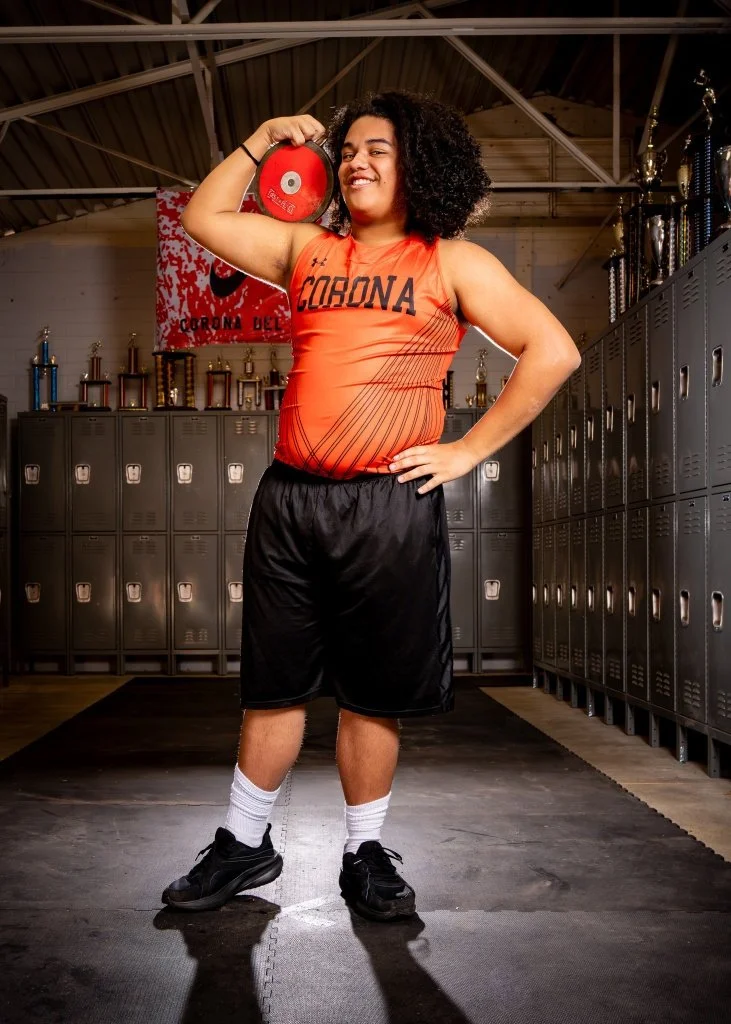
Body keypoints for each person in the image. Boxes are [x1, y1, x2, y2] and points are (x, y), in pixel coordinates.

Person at [162, 91, 580, 920]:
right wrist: (259, 139)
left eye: (377, 150)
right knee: (273, 685)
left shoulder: (453, 262)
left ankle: (364, 855)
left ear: (417, 165)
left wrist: (466, 450)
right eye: (347, 150)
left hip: (387, 504)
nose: (355, 162)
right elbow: (203, 218)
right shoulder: (304, 248)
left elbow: (554, 349)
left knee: (372, 691)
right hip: (290, 500)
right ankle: (243, 845)